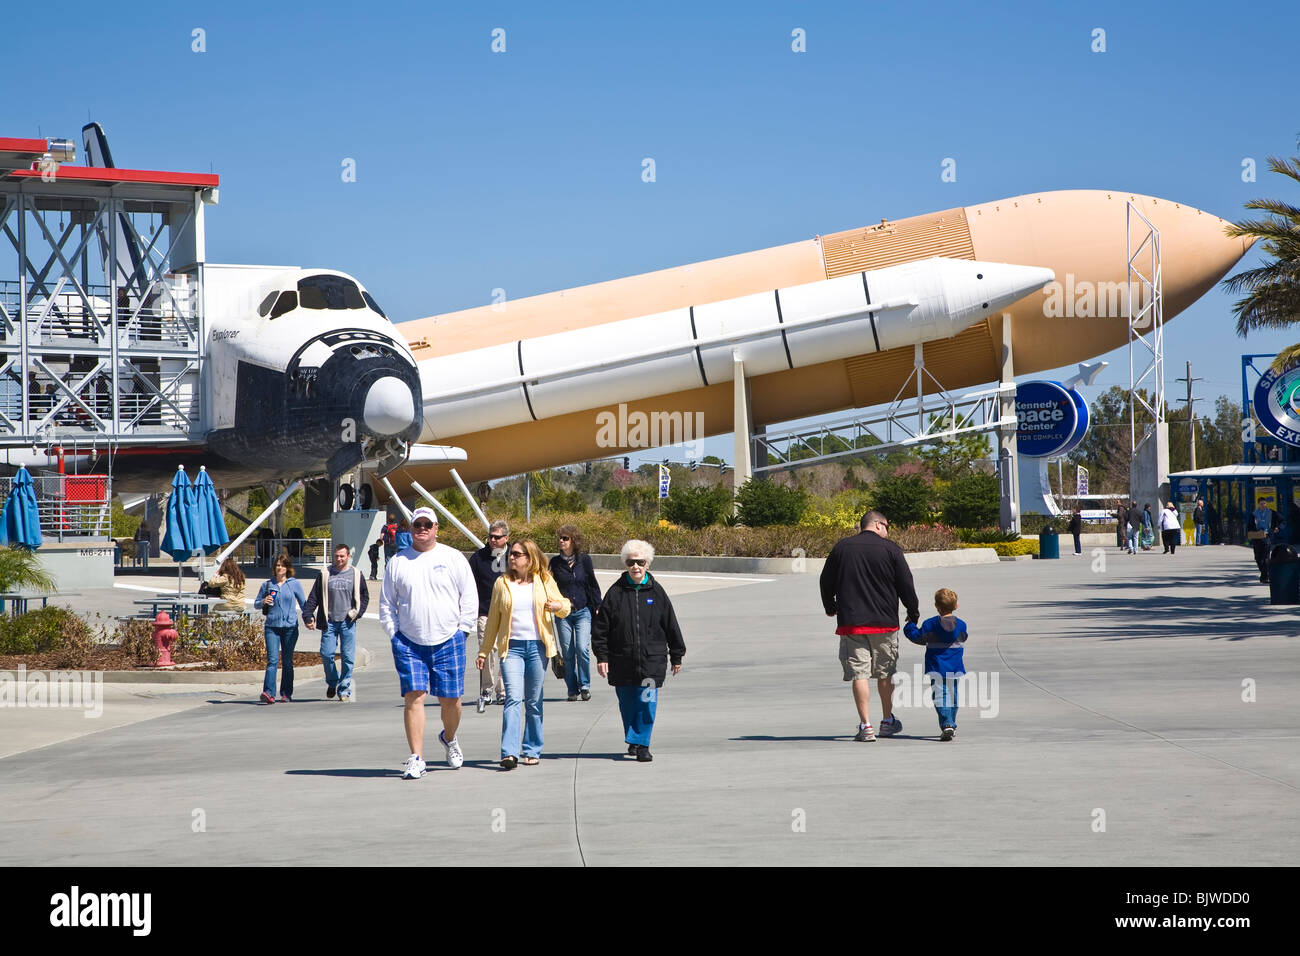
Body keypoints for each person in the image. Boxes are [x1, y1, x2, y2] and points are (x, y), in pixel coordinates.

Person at [379, 506, 476, 780]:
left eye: (427, 524)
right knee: (415, 698)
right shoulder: (398, 562)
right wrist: (394, 634)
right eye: (417, 524)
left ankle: (450, 737)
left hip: (449, 639)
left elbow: (469, 596)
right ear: (410, 529)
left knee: (451, 701)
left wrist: (463, 631)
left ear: (436, 528)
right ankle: (417, 757)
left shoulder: (453, 558)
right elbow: (387, 603)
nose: (422, 528)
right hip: (409, 643)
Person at [820, 510, 919, 742]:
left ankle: (866, 726)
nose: (887, 531)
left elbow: (826, 580)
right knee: (885, 673)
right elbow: (906, 583)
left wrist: (830, 605)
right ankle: (887, 720)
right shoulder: (891, 549)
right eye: (887, 526)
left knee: (859, 674)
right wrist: (912, 611)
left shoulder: (842, 548)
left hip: (852, 623)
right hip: (885, 623)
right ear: (877, 525)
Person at [477, 539, 570, 769]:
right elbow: (493, 621)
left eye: (517, 554)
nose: (511, 557)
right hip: (512, 649)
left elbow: (565, 606)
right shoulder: (502, 583)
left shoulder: (544, 580)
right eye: (511, 554)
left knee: (534, 701)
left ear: (530, 558)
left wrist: (558, 607)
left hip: (539, 648)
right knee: (513, 698)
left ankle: (531, 748)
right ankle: (509, 752)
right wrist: (483, 651)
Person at [592, 540, 685, 762]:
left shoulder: (657, 592)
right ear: (625, 564)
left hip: (651, 660)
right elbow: (601, 629)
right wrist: (602, 656)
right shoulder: (615, 593)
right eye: (631, 562)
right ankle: (634, 738)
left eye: (640, 562)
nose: (635, 567)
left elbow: (671, 624)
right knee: (628, 703)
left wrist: (677, 654)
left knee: (646, 700)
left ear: (648, 564)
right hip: (621, 659)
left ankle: (642, 744)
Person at [303, 543, 370, 703]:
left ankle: (344, 689)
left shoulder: (356, 574)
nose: (339, 559)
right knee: (326, 654)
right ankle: (333, 682)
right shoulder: (325, 574)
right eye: (336, 556)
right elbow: (314, 596)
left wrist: (356, 613)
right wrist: (307, 615)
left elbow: (364, 596)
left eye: (342, 556)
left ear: (348, 557)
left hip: (348, 622)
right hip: (330, 622)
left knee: (348, 657)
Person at [903, 587, 968, 741]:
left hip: (937, 667)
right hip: (955, 666)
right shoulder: (961, 625)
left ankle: (947, 724)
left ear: (937, 606)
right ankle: (951, 722)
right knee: (953, 695)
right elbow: (964, 638)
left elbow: (918, 637)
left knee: (940, 695)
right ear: (956, 606)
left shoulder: (930, 624)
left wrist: (909, 625)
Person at [549, 523, 603, 702]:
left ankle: (585, 686)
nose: (561, 541)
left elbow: (592, 584)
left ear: (574, 541)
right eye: (560, 538)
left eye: (565, 538)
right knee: (568, 652)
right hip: (563, 613)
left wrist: (597, 606)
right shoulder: (554, 563)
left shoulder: (584, 560)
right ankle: (572, 689)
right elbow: (549, 586)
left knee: (582, 648)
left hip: (582, 611)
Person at [255, 555, 309, 704]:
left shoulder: (294, 584)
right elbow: (256, 603)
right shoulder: (267, 585)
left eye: (282, 565)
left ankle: (286, 693)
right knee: (272, 660)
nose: (279, 568)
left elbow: (304, 604)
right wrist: (263, 601)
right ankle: (268, 692)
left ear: (287, 568)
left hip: (290, 627)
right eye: (277, 565)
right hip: (272, 627)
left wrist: (309, 619)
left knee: (287, 661)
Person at [469, 519, 510, 713]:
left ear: (506, 538)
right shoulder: (478, 558)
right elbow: (469, 586)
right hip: (485, 612)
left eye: (497, 537)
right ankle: (487, 690)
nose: (493, 540)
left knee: (505, 651)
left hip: (510, 613)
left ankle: (503, 691)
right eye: (490, 536)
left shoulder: (515, 556)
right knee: (485, 652)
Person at [1249, 502, 1279, 583]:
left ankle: (1265, 576)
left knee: (1265, 557)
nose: (1262, 505)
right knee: (1258, 558)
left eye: (1264, 503)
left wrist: (1276, 527)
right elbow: (1249, 526)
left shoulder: (1271, 513)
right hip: (1256, 539)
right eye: (1260, 504)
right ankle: (1264, 574)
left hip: (1266, 538)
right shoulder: (1254, 514)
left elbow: (1281, 521)